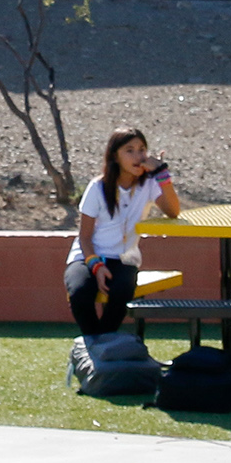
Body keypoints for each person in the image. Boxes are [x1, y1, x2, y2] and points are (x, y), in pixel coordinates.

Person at [68, 127, 183, 337]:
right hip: (88, 255)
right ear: (115, 156)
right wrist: (96, 266)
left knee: (121, 291)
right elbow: (84, 236)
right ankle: (97, 346)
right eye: (129, 150)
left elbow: (173, 211)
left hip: (124, 259)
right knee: (80, 293)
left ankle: (101, 345)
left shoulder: (148, 183)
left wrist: (162, 174)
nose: (138, 156)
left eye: (142, 150)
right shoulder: (97, 187)